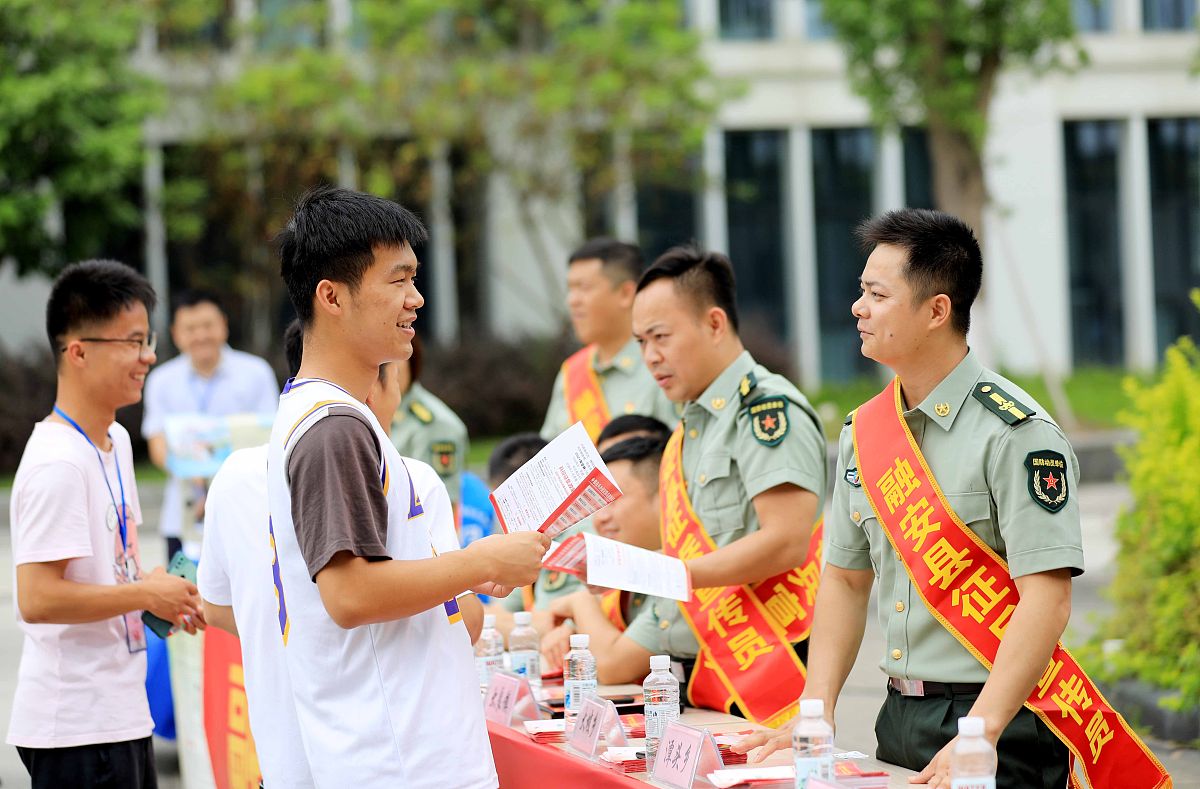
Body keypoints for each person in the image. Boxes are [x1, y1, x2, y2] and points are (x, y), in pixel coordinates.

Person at [734, 209, 1166, 789]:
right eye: (861, 291)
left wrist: (980, 732)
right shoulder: (866, 432)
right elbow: (843, 579)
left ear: (938, 310)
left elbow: (1048, 600)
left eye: (877, 294)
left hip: (999, 726)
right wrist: (817, 709)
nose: (858, 308)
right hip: (897, 715)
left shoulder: (1016, 433)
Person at [267, 185, 546, 788]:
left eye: (415, 279)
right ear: (332, 297)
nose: (416, 299)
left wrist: (470, 570)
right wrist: (476, 563)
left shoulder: (334, 415)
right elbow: (350, 594)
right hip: (395, 761)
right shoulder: (333, 427)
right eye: (397, 281)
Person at [9, 260, 204, 788]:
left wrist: (162, 591)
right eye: (133, 341)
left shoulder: (114, 441)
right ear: (78, 351)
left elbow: (115, 568)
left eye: (148, 339)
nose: (149, 357)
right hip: (75, 728)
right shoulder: (57, 462)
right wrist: (143, 594)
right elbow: (38, 599)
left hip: (120, 711)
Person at [630, 244, 827, 726]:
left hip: (760, 675)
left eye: (661, 337)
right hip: (690, 678)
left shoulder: (765, 411)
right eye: (640, 343)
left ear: (715, 324)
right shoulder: (688, 427)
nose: (651, 357)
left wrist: (675, 575)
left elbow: (786, 541)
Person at [546, 435, 701, 686]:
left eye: (613, 500)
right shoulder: (623, 568)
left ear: (665, 497)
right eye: (597, 506)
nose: (601, 518)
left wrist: (580, 602)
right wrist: (569, 628)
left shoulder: (689, 568)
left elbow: (612, 666)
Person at [142, 290, 279, 559]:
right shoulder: (161, 380)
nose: (200, 335)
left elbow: (271, 437)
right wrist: (191, 471)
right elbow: (157, 443)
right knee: (186, 597)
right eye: (190, 328)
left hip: (248, 514)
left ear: (224, 325)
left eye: (207, 325)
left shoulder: (255, 372)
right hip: (182, 516)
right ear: (176, 333)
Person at [541, 238, 678, 442]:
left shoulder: (664, 366)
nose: (572, 300)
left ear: (626, 293)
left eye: (584, 288)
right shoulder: (571, 374)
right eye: (570, 289)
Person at [388, 334, 470, 510]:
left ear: (411, 363)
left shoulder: (436, 426)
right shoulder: (372, 412)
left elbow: (444, 506)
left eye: (394, 363)